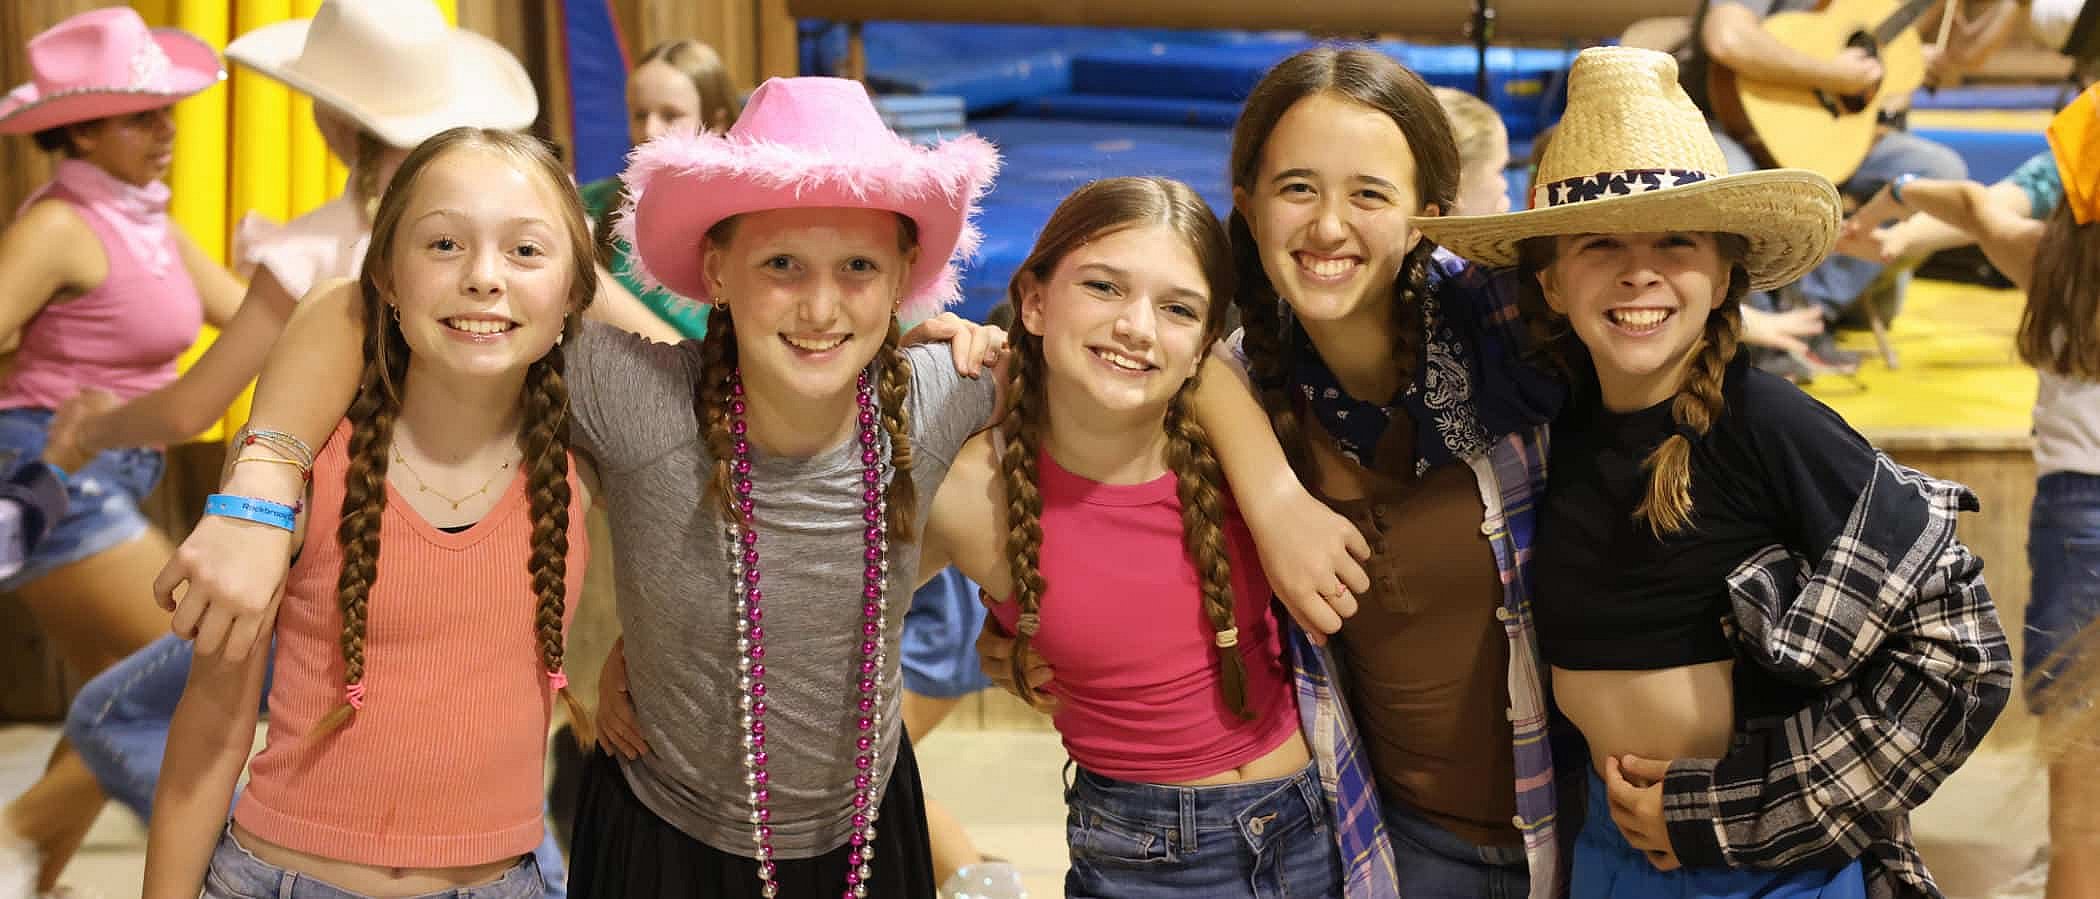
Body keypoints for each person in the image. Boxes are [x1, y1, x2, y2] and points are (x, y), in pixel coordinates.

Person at [151, 76, 1368, 899]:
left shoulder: (945, 392)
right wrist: (261, 486)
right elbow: (356, 307)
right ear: (717, 266)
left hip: (859, 839)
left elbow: (1159, 346)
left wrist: (1268, 490)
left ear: (902, 278)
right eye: (780, 262)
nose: (821, 302)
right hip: (658, 830)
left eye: (855, 267)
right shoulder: (635, 390)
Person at [1419, 44, 2012, 899]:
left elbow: (1966, 655)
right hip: (1605, 862)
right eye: (1599, 243)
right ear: (1549, 280)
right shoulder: (1551, 424)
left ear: (1726, 266)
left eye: (1676, 239)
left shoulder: (1771, 426)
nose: (1640, 270)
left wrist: (1736, 811)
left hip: (1770, 872)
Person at [0, 10, 235, 895]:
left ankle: (26, 868)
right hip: (47, 467)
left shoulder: (150, 225)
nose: (167, 131)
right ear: (85, 130)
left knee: (122, 685)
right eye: (143, 117)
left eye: (167, 112)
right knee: (190, 660)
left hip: (116, 468)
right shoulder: (60, 226)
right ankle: (19, 835)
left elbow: (253, 312)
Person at [579, 38, 742, 339]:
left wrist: (581, 274)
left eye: (670, 115)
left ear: (717, 122)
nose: (650, 131)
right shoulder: (596, 200)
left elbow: (687, 354)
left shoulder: (736, 219)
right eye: (640, 114)